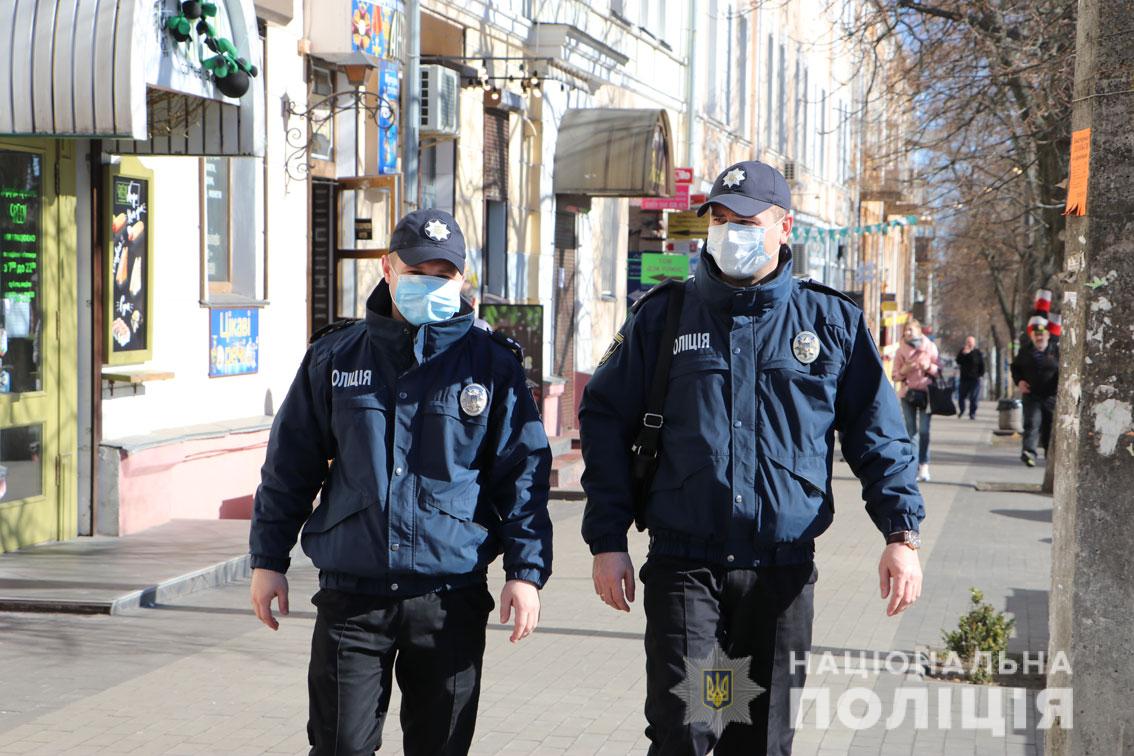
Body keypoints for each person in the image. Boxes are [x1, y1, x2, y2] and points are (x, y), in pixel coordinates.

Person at [578, 160, 925, 756]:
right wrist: (607, 540)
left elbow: (879, 435)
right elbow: (605, 422)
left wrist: (901, 533)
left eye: (747, 219)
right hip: (689, 568)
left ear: (784, 225)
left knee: (758, 740)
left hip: (779, 575)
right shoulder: (663, 318)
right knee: (689, 729)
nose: (730, 229)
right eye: (720, 217)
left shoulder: (831, 322)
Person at [248, 209, 553, 756]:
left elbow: (522, 475)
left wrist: (525, 572)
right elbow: (290, 465)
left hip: (448, 597)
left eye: (444, 274)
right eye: (418, 271)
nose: (431, 284)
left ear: (462, 280)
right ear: (388, 269)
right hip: (352, 598)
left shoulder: (491, 365)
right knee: (340, 746)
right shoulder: (335, 357)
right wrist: (268, 560)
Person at [892, 319, 940, 482]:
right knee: (910, 432)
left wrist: (928, 367)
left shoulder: (930, 347)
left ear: (919, 331)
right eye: (906, 330)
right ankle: (912, 467)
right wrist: (905, 370)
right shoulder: (901, 350)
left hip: (927, 394)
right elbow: (895, 375)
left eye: (911, 330)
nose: (907, 333)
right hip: (908, 394)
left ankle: (924, 465)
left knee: (924, 431)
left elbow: (938, 371)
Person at [1010, 320, 1059, 467]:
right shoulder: (1025, 351)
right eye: (1036, 335)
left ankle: (1049, 455)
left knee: (1048, 426)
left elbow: (1063, 370)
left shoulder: (1055, 351)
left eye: (1042, 335)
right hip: (1032, 395)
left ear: (1048, 335)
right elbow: (1015, 368)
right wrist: (1019, 382)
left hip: (1051, 396)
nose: (1039, 338)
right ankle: (1029, 452)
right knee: (1032, 423)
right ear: (1032, 336)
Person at [955, 336, 985, 419]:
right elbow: (958, 361)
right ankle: (962, 410)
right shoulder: (962, 351)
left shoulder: (977, 352)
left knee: (973, 397)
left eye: (971, 342)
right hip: (964, 378)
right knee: (961, 396)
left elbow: (982, 364)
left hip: (975, 379)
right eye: (968, 341)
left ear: (974, 343)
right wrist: (963, 354)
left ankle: (972, 413)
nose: (969, 343)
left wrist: (981, 375)